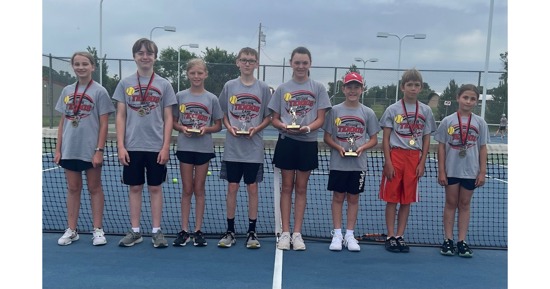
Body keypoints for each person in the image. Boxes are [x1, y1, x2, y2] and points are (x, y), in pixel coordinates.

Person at [113, 38, 177, 248]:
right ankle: (135, 231)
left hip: (156, 146)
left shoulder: (164, 84)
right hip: (132, 146)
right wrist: (121, 146)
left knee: (155, 188)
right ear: (134, 57)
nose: (145, 56)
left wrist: (166, 146)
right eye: (140, 53)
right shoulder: (125, 84)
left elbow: (169, 118)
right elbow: (120, 116)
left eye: (149, 53)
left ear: (155, 57)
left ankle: (157, 231)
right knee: (135, 188)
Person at [268, 46, 332, 251]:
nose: (301, 66)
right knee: (286, 187)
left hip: (308, 143)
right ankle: (285, 233)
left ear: (310, 64)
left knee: (301, 189)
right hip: (287, 142)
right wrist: (284, 127)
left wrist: (306, 128)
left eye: (304, 62)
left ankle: (297, 233)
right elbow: (274, 119)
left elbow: (321, 119)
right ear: (291, 63)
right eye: (297, 62)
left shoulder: (319, 88)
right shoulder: (282, 89)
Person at [54, 51, 115, 246]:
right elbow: (63, 122)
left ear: (93, 67)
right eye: (77, 64)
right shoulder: (67, 91)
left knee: (94, 188)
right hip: (70, 148)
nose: (81, 67)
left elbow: (104, 124)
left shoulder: (99, 91)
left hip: (90, 150)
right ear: (73, 67)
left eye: (85, 64)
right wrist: (58, 149)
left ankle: (97, 230)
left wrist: (99, 150)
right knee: (73, 188)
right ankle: (72, 229)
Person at [216, 47, 272, 249]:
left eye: (251, 60)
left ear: (256, 64)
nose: (247, 63)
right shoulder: (229, 86)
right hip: (233, 149)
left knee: (252, 188)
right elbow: (222, 112)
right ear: (237, 62)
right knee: (232, 187)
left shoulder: (264, 88)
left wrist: (257, 128)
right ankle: (230, 231)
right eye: (244, 60)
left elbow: (269, 116)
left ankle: (251, 231)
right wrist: (229, 126)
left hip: (254, 149)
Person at [378, 68, 436, 253]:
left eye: (416, 85)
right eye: (409, 85)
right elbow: (385, 138)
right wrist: (388, 161)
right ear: (403, 87)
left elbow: (427, 138)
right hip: (396, 155)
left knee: (406, 200)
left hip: (414, 158)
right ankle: (390, 235)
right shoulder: (392, 109)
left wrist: (422, 162)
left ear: (421, 88)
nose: (413, 88)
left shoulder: (426, 110)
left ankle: (400, 235)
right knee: (392, 199)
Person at [322, 72, 379, 252]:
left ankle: (350, 235)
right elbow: (327, 137)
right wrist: (338, 147)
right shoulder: (334, 111)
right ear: (343, 89)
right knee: (338, 197)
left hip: (358, 164)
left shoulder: (368, 112)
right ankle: (337, 234)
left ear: (362, 89)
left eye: (356, 87)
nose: (352, 90)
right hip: (338, 163)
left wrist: (362, 148)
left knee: (353, 198)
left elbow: (374, 139)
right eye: (349, 87)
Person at [172, 58, 223, 247]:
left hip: (203, 149)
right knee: (187, 189)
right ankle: (184, 230)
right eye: (193, 73)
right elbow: (174, 121)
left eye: (200, 73)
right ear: (187, 74)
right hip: (185, 147)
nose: (196, 76)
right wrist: (182, 128)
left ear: (205, 74)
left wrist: (205, 130)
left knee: (199, 189)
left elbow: (218, 125)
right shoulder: (180, 96)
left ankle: (198, 230)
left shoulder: (212, 98)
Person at [434, 84, 488, 258]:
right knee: (450, 203)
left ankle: (461, 241)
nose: (468, 101)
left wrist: (482, 172)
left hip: (471, 171)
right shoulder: (447, 121)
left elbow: (482, 148)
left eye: (473, 99)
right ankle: (448, 240)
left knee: (465, 204)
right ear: (458, 98)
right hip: (451, 170)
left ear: (476, 102)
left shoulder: (480, 122)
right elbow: (441, 147)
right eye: (465, 97)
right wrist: (441, 170)